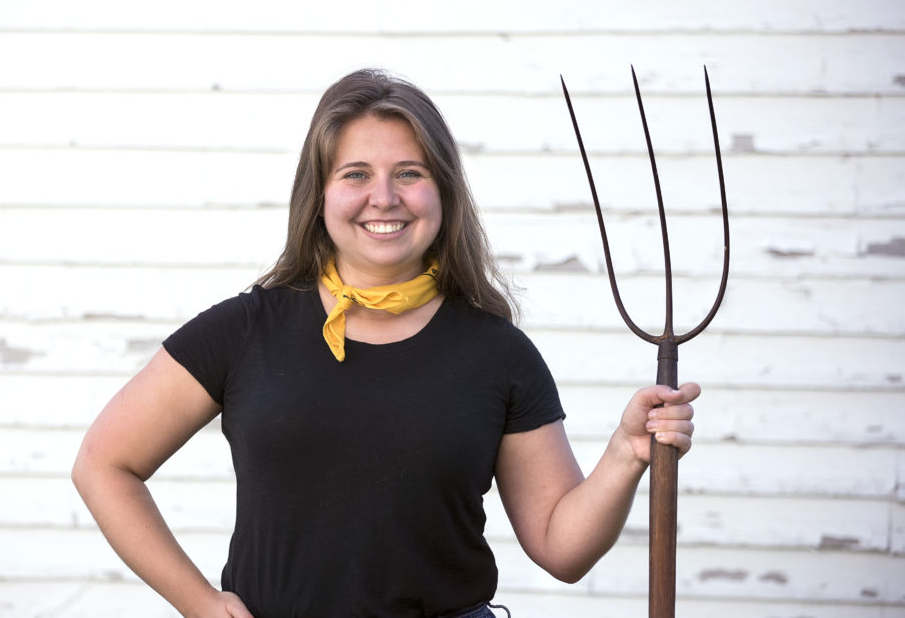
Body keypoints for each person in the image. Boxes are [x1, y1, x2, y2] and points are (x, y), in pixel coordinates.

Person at [71, 68, 697, 618]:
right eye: (356, 174)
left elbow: (563, 550)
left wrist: (625, 453)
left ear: (443, 193)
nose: (385, 197)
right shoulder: (245, 330)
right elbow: (105, 464)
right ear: (319, 196)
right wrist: (201, 604)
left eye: (409, 173)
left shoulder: (497, 354)